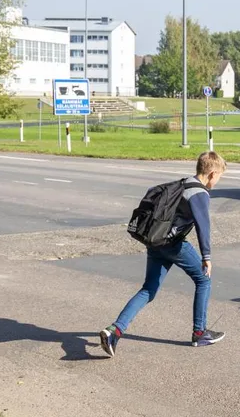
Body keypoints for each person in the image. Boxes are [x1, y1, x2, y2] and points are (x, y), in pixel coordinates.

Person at [97, 151, 227, 355]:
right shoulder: (200, 193)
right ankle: (199, 332)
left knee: (148, 289)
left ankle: (115, 330)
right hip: (173, 244)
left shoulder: (184, 183)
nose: (218, 180)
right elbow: (204, 226)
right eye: (219, 176)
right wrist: (207, 257)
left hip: (155, 241)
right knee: (204, 280)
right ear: (212, 173)